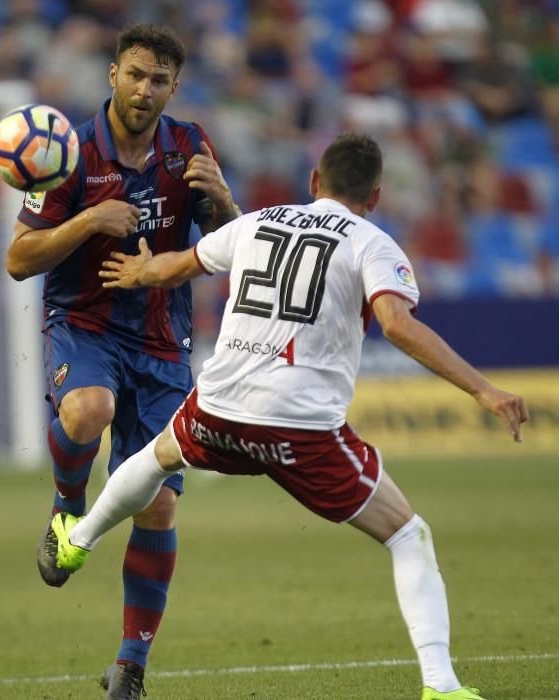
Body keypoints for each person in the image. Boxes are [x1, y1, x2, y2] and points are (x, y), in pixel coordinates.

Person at [42, 133, 529, 699]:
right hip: (300, 428)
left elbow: (184, 263)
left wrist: (142, 274)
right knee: (408, 535)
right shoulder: (373, 244)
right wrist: (483, 391)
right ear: (374, 195)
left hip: (219, 408)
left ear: (314, 182)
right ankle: (442, 687)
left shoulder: (259, 221)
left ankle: (79, 538)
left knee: (156, 458)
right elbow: (396, 324)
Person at [5, 24, 241, 700]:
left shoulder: (189, 145)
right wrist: (85, 222)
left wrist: (224, 203)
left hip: (164, 345)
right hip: (84, 326)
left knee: (158, 511)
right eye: (135, 74)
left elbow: (232, 246)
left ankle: (130, 667)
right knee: (89, 408)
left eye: (158, 79)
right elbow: (18, 260)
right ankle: (65, 505)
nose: (145, 89)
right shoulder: (67, 152)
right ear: (112, 74)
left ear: (172, 87)